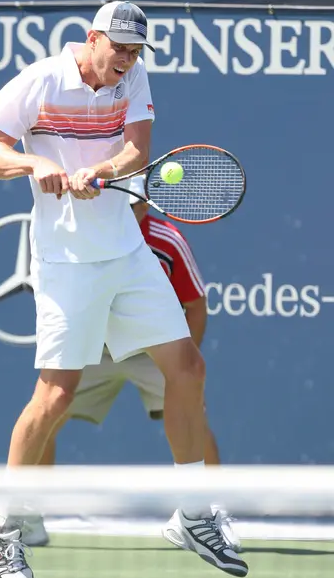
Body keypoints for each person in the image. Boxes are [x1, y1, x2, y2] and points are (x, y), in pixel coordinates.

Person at [0, 0, 248, 578]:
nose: (126, 61)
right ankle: (2, 528)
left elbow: (136, 151)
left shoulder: (133, 76)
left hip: (126, 252)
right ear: (92, 38)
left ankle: (192, 511)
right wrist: (33, 163)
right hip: (67, 260)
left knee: (189, 367)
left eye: (135, 51)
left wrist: (103, 170)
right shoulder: (41, 80)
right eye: (118, 48)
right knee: (54, 396)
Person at [22, 176, 241, 552]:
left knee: (195, 415)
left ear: (146, 205)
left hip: (152, 351)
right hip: (95, 350)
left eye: (138, 206)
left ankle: (209, 513)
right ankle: (26, 516)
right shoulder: (81, 238)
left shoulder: (167, 240)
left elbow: (196, 305)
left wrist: (178, 370)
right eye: (125, 206)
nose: (133, 212)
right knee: (48, 413)